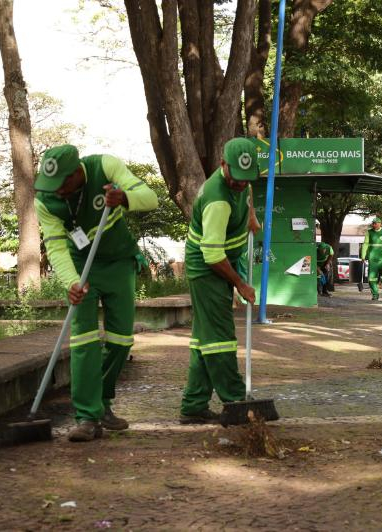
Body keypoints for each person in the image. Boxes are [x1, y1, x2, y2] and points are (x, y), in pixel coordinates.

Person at [34, 144, 159, 442]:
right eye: (52, 185)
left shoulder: (105, 166)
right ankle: (87, 416)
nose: (58, 191)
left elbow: (151, 199)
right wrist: (72, 282)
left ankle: (102, 402)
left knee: (120, 340)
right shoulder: (46, 201)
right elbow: (55, 245)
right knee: (84, 341)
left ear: (78, 173)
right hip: (81, 267)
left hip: (118, 263)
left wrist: (125, 197)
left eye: (62, 183)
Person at [179, 138, 260, 424]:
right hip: (208, 269)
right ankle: (236, 400)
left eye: (246, 179)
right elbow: (213, 256)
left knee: (205, 339)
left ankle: (194, 404)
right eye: (236, 179)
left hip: (219, 264)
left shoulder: (243, 180)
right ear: (223, 165)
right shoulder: (216, 200)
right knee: (221, 338)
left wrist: (250, 216)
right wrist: (241, 283)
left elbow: (246, 193)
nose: (241, 184)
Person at [361, 216, 382, 300]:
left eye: (375, 223)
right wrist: (363, 256)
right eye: (373, 223)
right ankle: (375, 294)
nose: (374, 225)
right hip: (372, 259)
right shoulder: (369, 232)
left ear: (380, 224)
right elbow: (365, 244)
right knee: (372, 278)